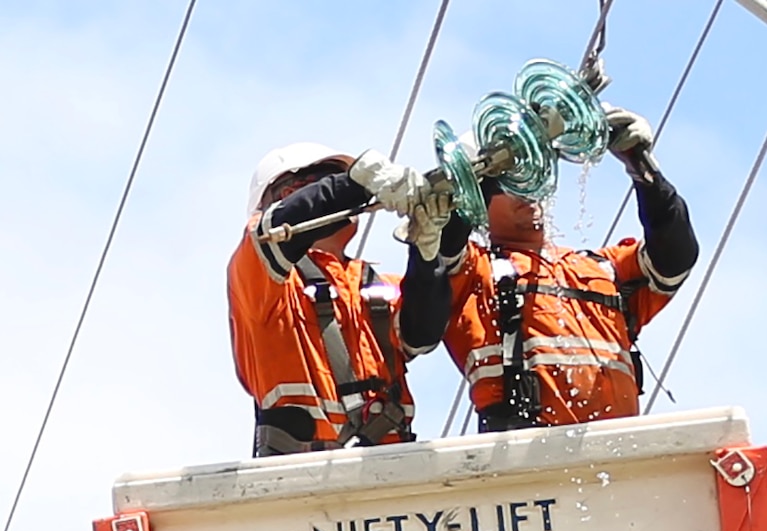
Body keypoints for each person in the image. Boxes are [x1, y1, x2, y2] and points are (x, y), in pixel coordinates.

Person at [433, 104, 699, 432]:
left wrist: (640, 163)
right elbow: (441, 252)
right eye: (509, 184)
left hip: (620, 455)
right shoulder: (476, 274)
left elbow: (675, 255)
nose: (527, 192)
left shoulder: (604, 269)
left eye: (530, 176)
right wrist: (472, 178)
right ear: (480, 203)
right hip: (524, 458)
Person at [228, 143, 452, 456]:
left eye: (335, 178)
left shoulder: (374, 287)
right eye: (312, 184)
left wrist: (426, 255)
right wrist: (357, 182)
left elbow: (421, 335)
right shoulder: (259, 281)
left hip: (390, 475)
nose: (331, 189)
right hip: (299, 477)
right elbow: (275, 231)